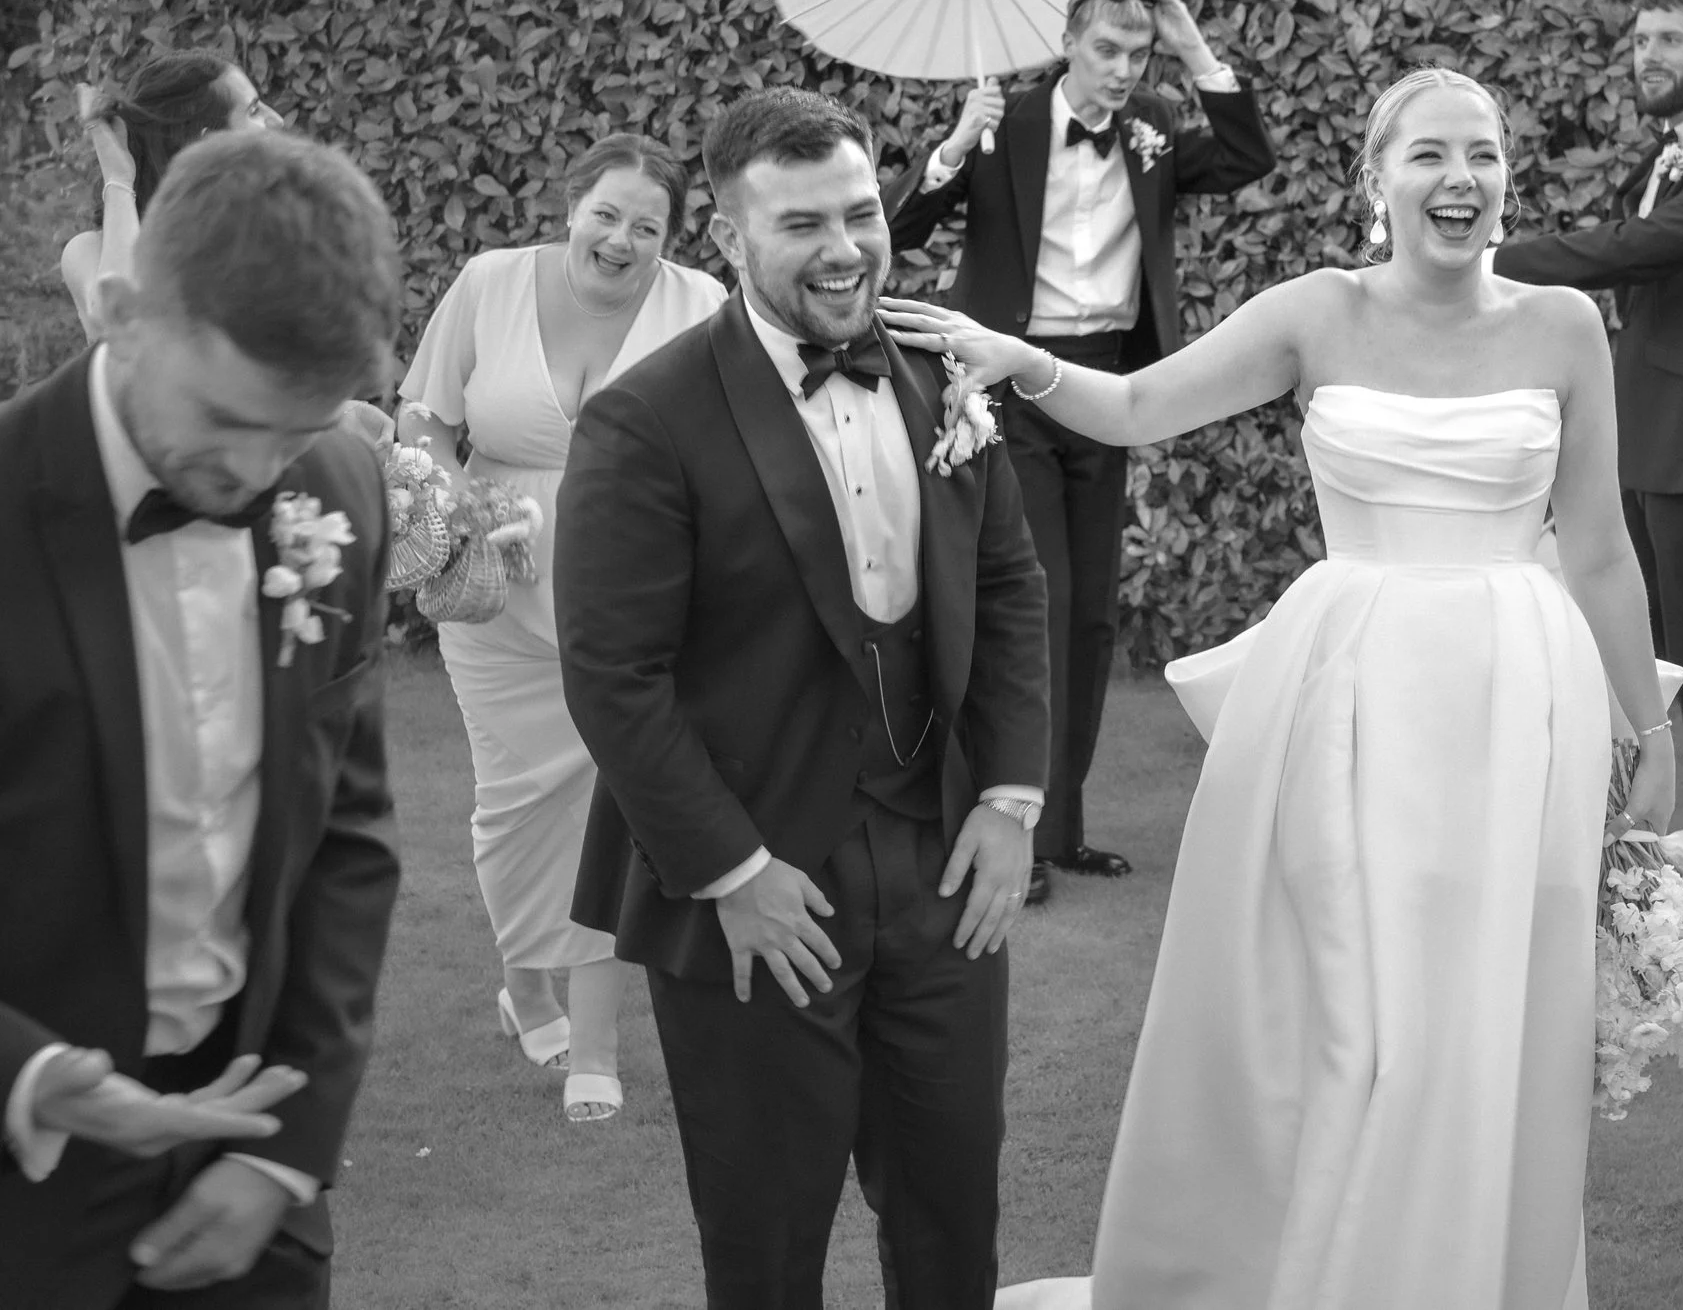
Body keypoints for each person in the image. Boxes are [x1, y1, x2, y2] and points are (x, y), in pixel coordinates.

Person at [885, 67, 1681, 1310]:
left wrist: (1652, 721)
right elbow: (1142, 404)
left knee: (1484, 1001)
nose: (1458, 179)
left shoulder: (1566, 324)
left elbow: (1598, 546)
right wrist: (1011, 357)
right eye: (1426, 155)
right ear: (1377, 179)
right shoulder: (1315, 311)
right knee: (1347, 998)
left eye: (1480, 154)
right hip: (1351, 685)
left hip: (1520, 692)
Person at [556, 88, 1049, 1310]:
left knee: (951, 1213)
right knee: (766, 1237)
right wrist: (732, 869)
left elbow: (1008, 583)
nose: (844, 248)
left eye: (861, 211)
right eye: (801, 224)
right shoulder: (645, 415)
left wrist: (1009, 791)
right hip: (756, 888)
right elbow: (613, 675)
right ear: (728, 236)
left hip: (940, 864)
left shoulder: (945, 368)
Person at [1, 130, 402, 1307]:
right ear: (121, 311)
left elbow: (351, 830)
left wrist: (289, 1147)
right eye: (232, 417)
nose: (267, 469)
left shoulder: (335, 485)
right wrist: (29, 1074)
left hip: (251, 1181)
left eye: (303, 424)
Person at [886, 0, 1277, 902]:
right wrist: (950, 144)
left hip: (1108, 386)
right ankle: (1005, 824)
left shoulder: (1152, 127)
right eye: (1106, 50)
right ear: (1068, 40)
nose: (1120, 70)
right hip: (1010, 382)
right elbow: (900, 230)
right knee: (1041, 601)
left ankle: (1060, 832)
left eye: (1136, 55)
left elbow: (1245, 156)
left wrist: (1192, 47)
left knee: (1093, 613)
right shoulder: (1002, 122)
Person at [396, 134, 727, 1123]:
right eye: (607, 213)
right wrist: (459, 502)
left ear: (672, 237)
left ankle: (595, 1042)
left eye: (647, 225)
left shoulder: (703, 307)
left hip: (638, 600)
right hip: (498, 593)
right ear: (571, 205)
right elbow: (422, 418)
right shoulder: (489, 281)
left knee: (613, 800)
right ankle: (525, 987)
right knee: (511, 802)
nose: (621, 239)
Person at [1495, 0, 1683, 873]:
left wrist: (1484, 257)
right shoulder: (1676, 151)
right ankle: (1634, 844)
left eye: (1671, 39)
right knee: (1632, 659)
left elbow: (1637, 250)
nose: (1649, 55)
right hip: (1646, 436)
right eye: (1640, 40)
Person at [61, 52, 289, 340]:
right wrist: (118, 178)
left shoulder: (270, 238)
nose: (277, 120)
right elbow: (121, 321)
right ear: (208, 142)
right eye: (254, 111)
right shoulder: (88, 253)